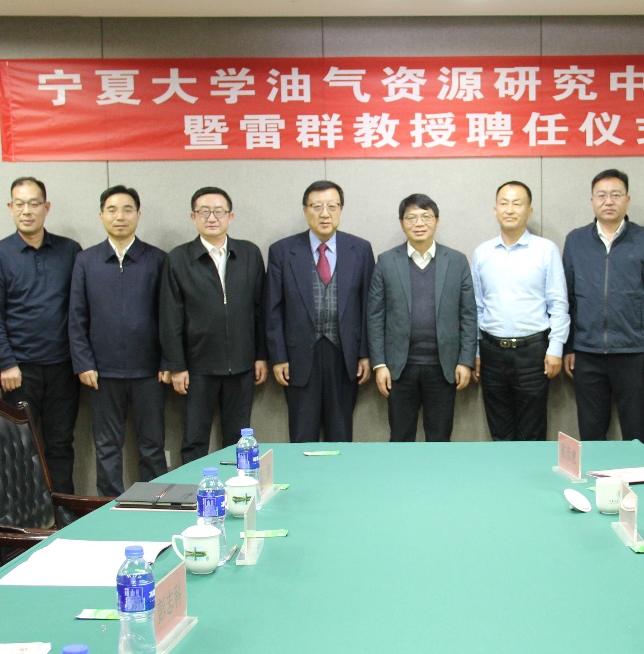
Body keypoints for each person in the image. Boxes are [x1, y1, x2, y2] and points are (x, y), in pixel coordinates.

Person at [0, 177, 82, 494]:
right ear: (10, 208)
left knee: (60, 444)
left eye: (34, 204)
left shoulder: (70, 251)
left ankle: (63, 510)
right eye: (20, 204)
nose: (27, 211)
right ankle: (26, 514)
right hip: (19, 371)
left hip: (64, 368)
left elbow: (81, 308)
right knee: (20, 447)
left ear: (46, 207)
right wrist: (6, 363)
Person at [68, 185, 168, 497]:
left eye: (127, 210)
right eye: (112, 210)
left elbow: (169, 317)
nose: (119, 216)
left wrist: (168, 361)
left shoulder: (157, 259)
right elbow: (77, 316)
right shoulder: (86, 260)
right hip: (102, 372)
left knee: (152, 446)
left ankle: (156, 504)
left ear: (138, 215)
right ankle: (108, 508)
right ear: (101, 215)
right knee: (107, 447)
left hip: (150, 372)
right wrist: (83, 362)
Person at [159, 186, 267, 464]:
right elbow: (170, 316)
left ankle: (240, 487)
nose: (212, 218)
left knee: (239, 440)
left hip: (242, 365)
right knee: (194, 440)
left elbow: (260, 309)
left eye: (219, 211)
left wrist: (261, 356)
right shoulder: (178, 258)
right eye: (204, 211)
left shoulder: (249, 253)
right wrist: (176, 365)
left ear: (231, 216)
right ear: (193, 217)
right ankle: (196, 489)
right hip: (197, 368)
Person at [562, 169, 644, 445]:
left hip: (632, 353)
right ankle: (595, 474)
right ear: (592, 200)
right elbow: (567, 299)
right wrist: (569, 347)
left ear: (627, 200)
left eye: (616, 195)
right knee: (591, 434)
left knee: (635, 432)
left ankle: (636, 474)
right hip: (586, 352)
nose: (609, 201)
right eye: (602, 195)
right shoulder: (575, 241)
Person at [266, 181, 374, 443]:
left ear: (341, 210)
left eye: (332, 206)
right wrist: (278, 357)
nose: (325, 214)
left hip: (345, 355)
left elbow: (368, 306)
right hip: (298, 356)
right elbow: (273, 308)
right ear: (305, 210)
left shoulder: (360, 249)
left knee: (341, 433)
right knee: (302, 434)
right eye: (317, 206)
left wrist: (364, 353)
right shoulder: (282, 251)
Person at [367, 194, 476, 442]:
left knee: (440, 439)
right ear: (402, 222)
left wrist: (465, 361)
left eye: (426, 217)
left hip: (444, 367)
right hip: (399, 368)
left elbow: (468, 315)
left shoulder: (457, 261)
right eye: (411, 217)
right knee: (400, 437)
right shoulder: (386, 261)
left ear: (437, 221)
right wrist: (379, 364)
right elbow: (375, 316)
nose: (419, 223)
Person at [470, 181, 569, 441]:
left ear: (529, 210)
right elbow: (477, 307)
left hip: (533, 352)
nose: (510, 209)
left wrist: (555, 348)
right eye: (504, 203)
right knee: (499, 430)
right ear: (495, 210)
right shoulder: (482, 253)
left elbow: (558, 303)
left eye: (517, 203)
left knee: (532, 432)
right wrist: (477, 351)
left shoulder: (545, 250)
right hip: (491, 352)